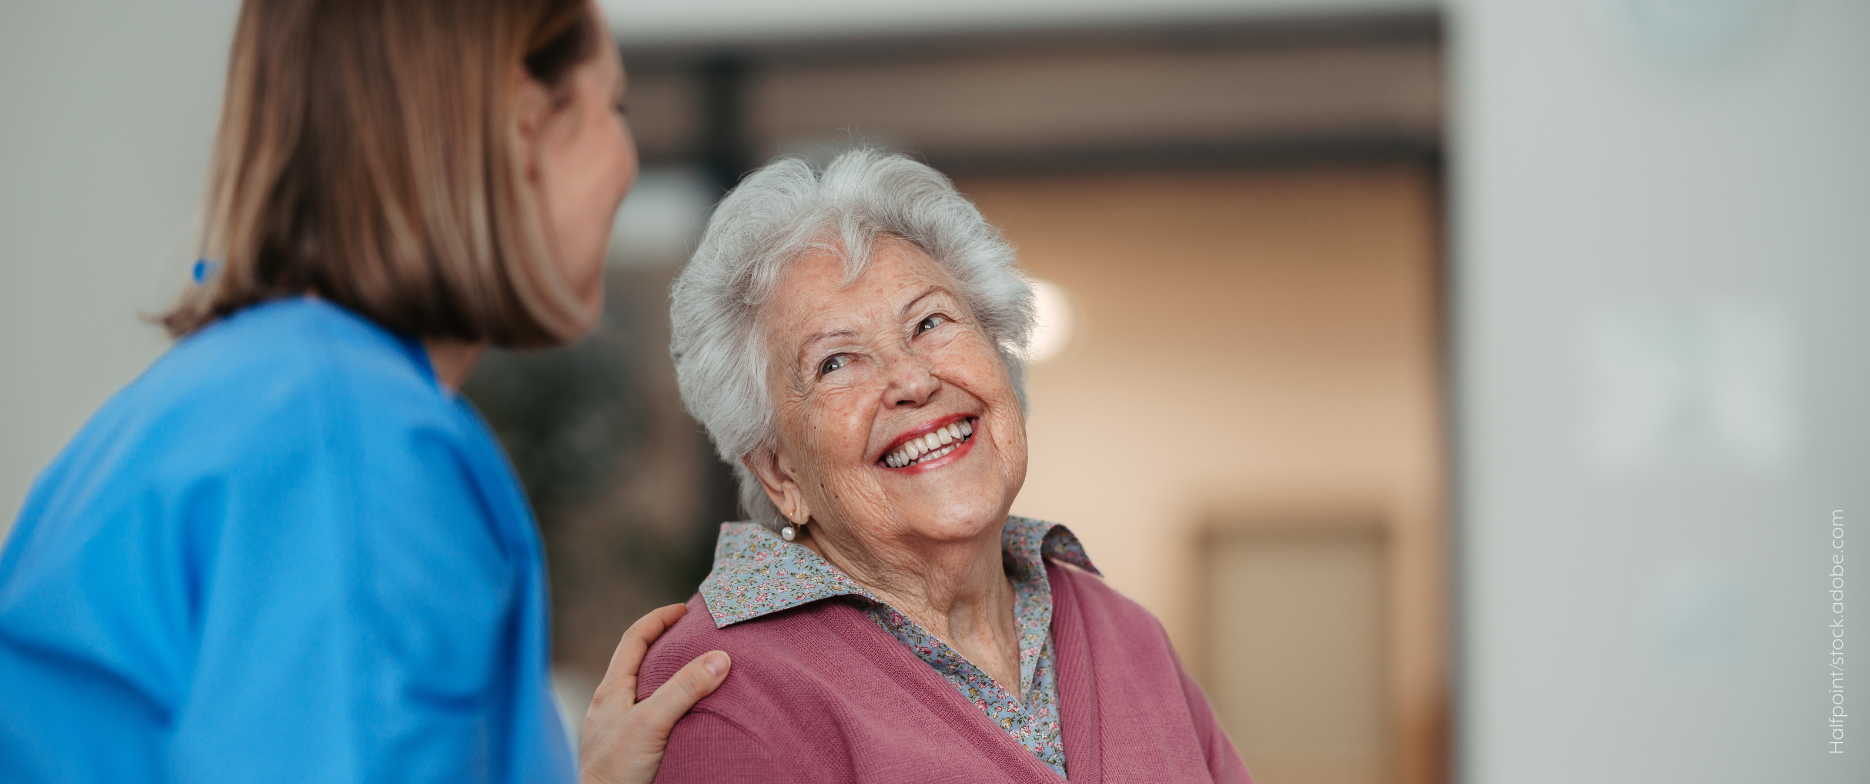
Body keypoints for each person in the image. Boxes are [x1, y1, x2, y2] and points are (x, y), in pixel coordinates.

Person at [0, 1, 724, 782]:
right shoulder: (353, 453)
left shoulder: (225, 402)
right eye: (612, 106)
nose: (626, 158)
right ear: (524, 124)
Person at [639, 148, 1253, 782]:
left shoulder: (1123, 632)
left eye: (930, 321)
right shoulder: (718, 690)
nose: (911, 379)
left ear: (1002, 360)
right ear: (780, 473)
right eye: (836, 362)